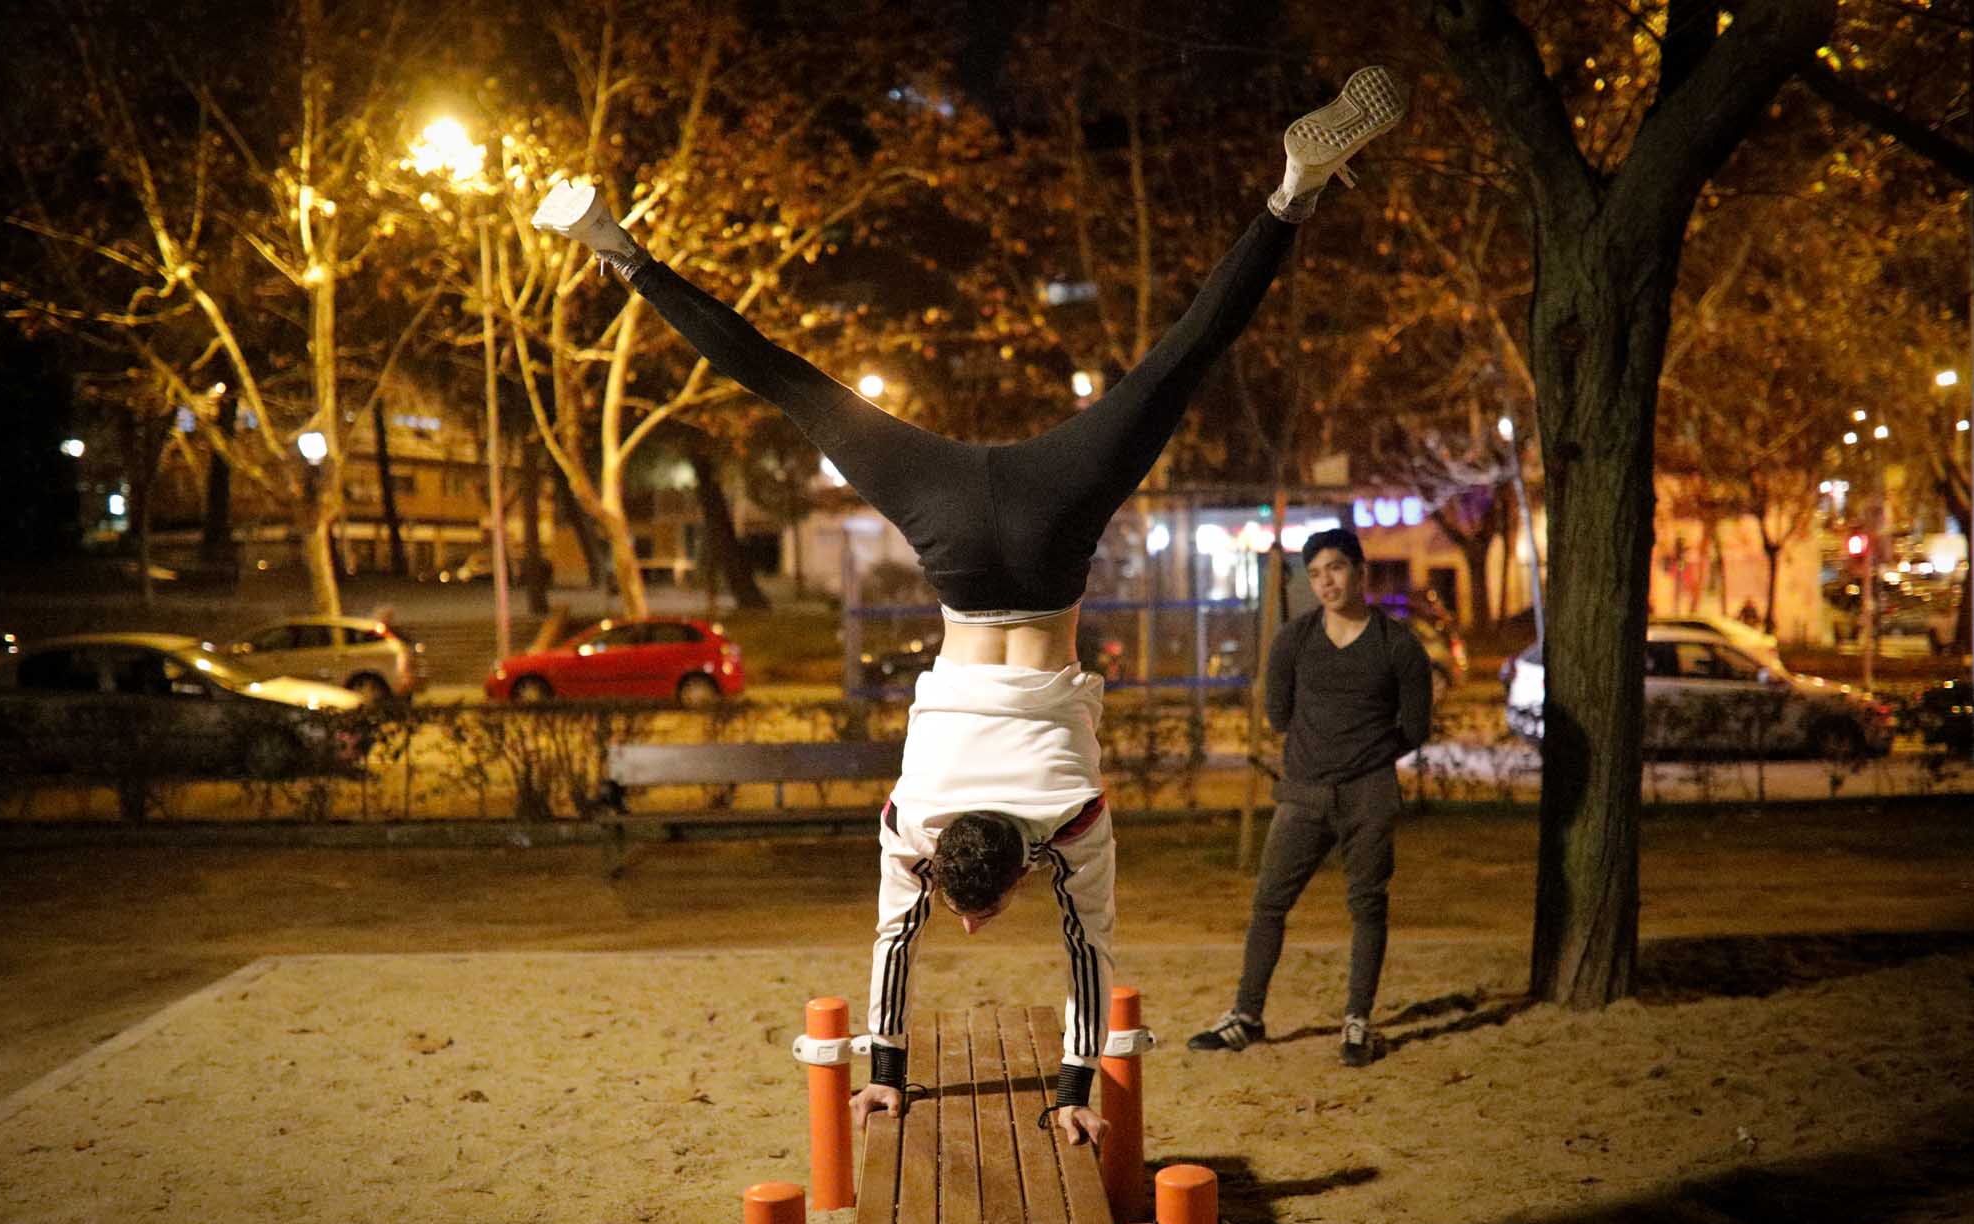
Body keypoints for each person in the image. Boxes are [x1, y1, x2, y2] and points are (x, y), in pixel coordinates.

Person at [533, 68, 1409, 1139]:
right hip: (949, 528)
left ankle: (1291, 193)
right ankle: (621, 251)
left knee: (1177, 366)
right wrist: (887, 1072)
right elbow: (893, 943)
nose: (968, 924)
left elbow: (1088, 953)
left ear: (999, 878)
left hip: (1051, 532)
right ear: (956, 869)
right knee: (791, 383)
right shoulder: (913, 819)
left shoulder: (1070, 818)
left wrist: (1070, 1091)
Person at [1188, 528, 1432, 1066]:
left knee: (1367, 904)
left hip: (1369, 796)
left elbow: (1415, 727)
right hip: (1303, 794)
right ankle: (1246, 1017)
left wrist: (1367, 755)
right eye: (1316, 573)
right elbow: (1279, 714)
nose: (1326, 582)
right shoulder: (1294, 641)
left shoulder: (1397, 645)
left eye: (1336, 569)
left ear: (1360, 572)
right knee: (1269, 903)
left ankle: (1357, 1020)